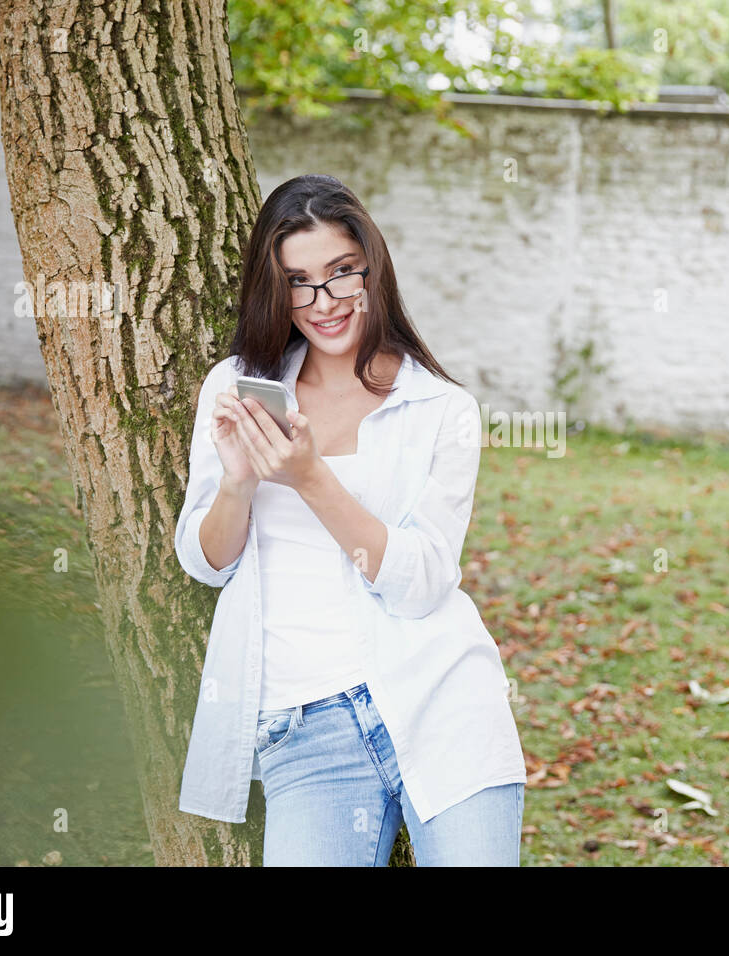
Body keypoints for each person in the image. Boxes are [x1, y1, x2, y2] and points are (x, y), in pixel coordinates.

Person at [172, 174, 526, 865]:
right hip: (305, 726)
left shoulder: (441, 410)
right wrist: (240, 484)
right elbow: (204, 563)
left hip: (441, 700)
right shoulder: (239, 387)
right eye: (298, 282)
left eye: (341, 274)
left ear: (373, 270)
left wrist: (309, 477)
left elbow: (422, 582)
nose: (323, 302)